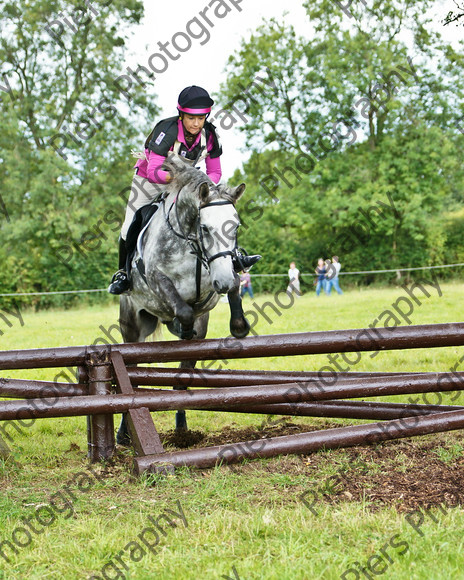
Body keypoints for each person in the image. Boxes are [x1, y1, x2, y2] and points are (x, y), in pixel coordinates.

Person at [108, 85, 261, 294]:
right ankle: (123, 274)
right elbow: (154, 171)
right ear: (181, 115)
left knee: (217, 212)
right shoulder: (166, 130)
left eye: (201, 118)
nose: (196, 123)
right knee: (128, 225)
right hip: (150, 181)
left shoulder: (210, 135)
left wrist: (201, 186)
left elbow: (215, 172)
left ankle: (234, 258)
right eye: (191, 118)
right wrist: (181, 178)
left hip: (189, 182)